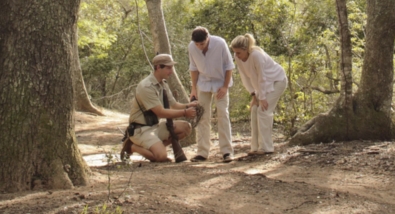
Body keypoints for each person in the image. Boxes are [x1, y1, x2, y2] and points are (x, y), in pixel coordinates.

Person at [123, 53, 198, 163]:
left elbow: (174, 105)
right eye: (168, 68)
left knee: (186, 127)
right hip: (141, 130)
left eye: (171, 67)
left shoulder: (163, 84)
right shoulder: (146, 86)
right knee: (161, 158)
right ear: (158, 67)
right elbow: (161, 113)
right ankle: (132, 147)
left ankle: (157, 148)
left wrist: (189, 105)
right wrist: (185, 112)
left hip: (155, 126)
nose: (171, 71)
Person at [231, 33, 287, 156]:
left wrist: (262, 98)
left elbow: (263, 77)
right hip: (262, 86)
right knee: (254, 109)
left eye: (239, 52)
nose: (237, 55)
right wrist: (253, 96)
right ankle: (255, 147)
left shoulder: (256, 55)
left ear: (246, 49)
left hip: (277, 81)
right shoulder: (237, 57)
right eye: (235, 52)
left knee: (263, 110)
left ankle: (266, 147)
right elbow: (245, 77)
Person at [185, 26, 235, 161]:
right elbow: (193, 68)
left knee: (222, 114)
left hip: (220, 83)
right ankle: (202, 152)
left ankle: (226, 151)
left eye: (202, 43)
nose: (199, 46)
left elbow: (229, 66)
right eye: (197, 44)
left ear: (208, 38)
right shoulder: (192, 47)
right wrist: (193, 89)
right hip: (203, 83)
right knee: (202, 116)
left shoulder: (220, 43)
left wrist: (225, 86)